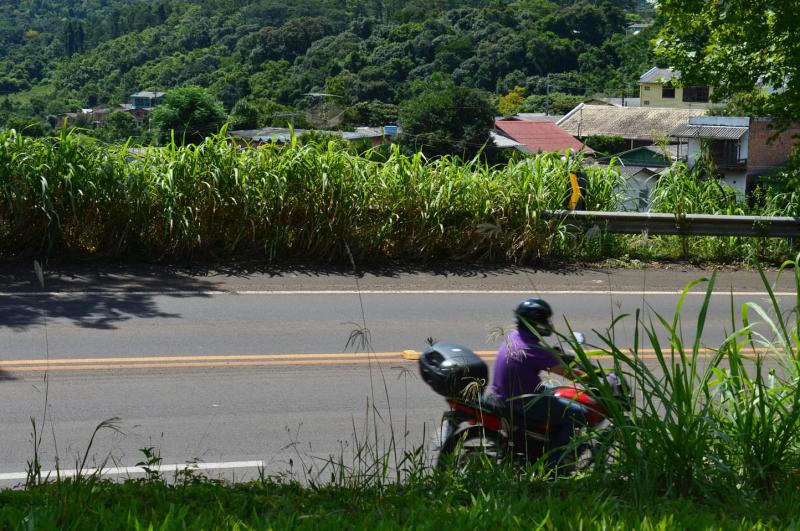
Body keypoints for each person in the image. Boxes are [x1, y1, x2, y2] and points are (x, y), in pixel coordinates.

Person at [488, 297, 588, 468]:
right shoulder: (533, 349)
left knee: (558, 391)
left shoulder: (516, 337)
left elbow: (548, 360)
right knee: (578, 413)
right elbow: (568, 373)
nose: (548, 324)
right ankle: (556, 464)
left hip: (505, 394)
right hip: (521, 401)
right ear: (535, 323)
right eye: (545, 321)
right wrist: (591, 377)